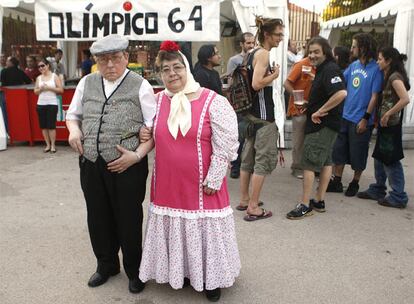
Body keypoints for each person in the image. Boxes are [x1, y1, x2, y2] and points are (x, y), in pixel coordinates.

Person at [138, 41, 240, 302]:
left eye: (177, 67)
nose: (172, 73)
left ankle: (211, 278)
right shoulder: (157, 102)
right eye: (165, 69)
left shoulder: (212, 101)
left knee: (204, 229)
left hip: (203, 186)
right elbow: (150, 135)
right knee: (178, 227)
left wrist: (215, 177)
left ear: (187, 68)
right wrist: (143, 133)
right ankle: (183, 271)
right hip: (168, 185)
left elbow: (226, 144)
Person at [66, 34, 156, 294]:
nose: (110, 66)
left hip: (128, 165)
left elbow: (153, 129)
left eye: (115, 59)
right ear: (96, 62)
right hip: (92, 163)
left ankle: (134, 271)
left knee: (128, 218)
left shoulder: (141, 85)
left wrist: (136, 155)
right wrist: (73, 131)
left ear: (126, 58)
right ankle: (106, 265)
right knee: (97, 216)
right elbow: (73, 116)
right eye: (103, 60)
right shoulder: (87, 82)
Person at [286, 37, 347, 220]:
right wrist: (310, 104)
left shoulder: (329, 69)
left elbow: (341, 93)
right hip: (327, 124)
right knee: (327, 162)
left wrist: (319, 111)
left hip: (322, 125)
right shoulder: (323, 69)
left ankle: (305, 205)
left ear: (325, 52)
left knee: (309, 163)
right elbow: (327, 94)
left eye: (316, 52)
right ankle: (319, 201)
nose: (312, 55)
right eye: (310, 52)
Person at [238, 16, 284, 221]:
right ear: (267, 34)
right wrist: (274, 76)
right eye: (278, 35)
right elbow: (257, 84)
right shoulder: (263, 54)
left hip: (250, 115)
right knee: (262, 162)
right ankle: (254, 206)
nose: (281, 38)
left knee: (247, 158)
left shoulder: (250, 53)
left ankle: (245, 199)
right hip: (263, 117)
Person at [327, 33, 383, 197]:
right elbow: (340, 81)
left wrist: (366, 119)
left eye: (354, 46)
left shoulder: (375, 70)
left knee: (358, 153)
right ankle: (337, 181)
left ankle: (355, 182)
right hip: (345, 116)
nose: (351, 49)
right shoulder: (354, 65)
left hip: (361, 119)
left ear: (363, 48)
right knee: (339, 150)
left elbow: (374, 96)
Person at [357, 47, 410, 209]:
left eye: (380, 59)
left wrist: (388, 114)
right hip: (385, 124)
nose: (378, 61)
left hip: (391, 125)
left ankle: (398, 196)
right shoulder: (388, 75)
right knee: (380, 157)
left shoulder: (394, 77)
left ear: (389, 61)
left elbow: (405, 99)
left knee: (390, 160)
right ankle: (379, 188)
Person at [226, 32, 255, 179]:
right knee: (239, 136)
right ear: (241, 44)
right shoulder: (234, 60)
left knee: (253, 135)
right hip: (240, 103)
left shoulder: (257, 58)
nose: (251, 46)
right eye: (248, 43)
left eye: (252, 43)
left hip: (254, 103)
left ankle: (250, 166)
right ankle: (235, 167)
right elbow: (230, 81)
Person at [284, 44, 315, 179]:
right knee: (299, 140)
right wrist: (298, 97)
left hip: (314, 109)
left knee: (310, 140)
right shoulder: (301, 64)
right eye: (312, 51)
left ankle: (308, 166)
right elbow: (287, 83)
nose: (314, 55)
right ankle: (296, 167)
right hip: (299, 109)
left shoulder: (320, 66)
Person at [33, 58, 64, 153]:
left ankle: (53, 145)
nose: (41, 68)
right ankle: (47, 145)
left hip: (52, 103)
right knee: (43, 126)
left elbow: (61, 90)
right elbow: (35, 91)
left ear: (48, 66)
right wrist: (41, 89)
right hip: (41, 104)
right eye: (39, 66)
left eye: (42, 65)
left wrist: (49, 88)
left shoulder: (54, 76)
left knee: (51, 126)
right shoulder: (38, 78)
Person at [285, 40, 303, 114]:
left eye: (296, 45)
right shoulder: (287, 54)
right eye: (293, 45)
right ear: (288, 47)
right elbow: (297, 61)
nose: (295, 46)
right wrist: (300, 52)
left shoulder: (292, 54)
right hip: (288, 81)